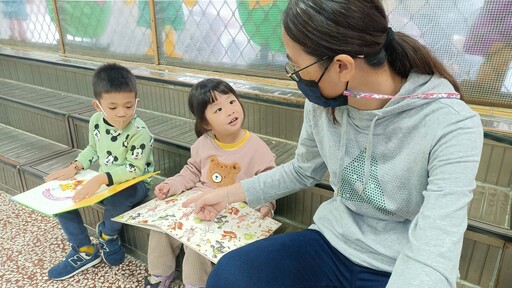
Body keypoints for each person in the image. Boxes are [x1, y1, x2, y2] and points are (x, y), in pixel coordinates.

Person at [183, 0, 484, 287]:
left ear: (342, 67)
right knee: (231, 276)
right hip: (331, 242)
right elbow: (303, 170)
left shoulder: (451, 123)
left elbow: (436, 244)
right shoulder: (323, 103)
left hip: (400, 263)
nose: (298, 78)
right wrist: (229, 195)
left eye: (298, 68)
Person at [144, 78, 276, 288]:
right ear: (205, 122)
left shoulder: (257, 148)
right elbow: (191, 171)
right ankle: (159, 276)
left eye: (232, 102)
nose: (230, 111)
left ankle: (195, 284)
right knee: (161, 226)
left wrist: (266, 205)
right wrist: (171, 185)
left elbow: (269, 183)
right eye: (218, 109)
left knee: (198, 243)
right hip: (199, 200)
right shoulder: (204, 143)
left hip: (232, 208)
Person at [45, 63, 155, 280]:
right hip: (105, 182)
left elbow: (134, 169)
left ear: (136, 102)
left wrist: (99, 179)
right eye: (113, 108)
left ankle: (108, 235)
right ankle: (84, 250)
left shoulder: (140, 132)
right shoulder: (96, 121)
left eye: (129, 106)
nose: (122, 113)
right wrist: (74, 167)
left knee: (120, 198)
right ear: (98, 106)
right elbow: (93, 149)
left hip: (134, 184)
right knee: (62, 197)